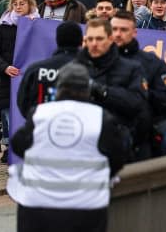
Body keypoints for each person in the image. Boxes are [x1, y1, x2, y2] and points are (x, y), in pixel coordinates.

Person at [8, 62, 128, 232]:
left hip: (37, 206)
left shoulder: (40, 113)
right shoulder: (101, 117)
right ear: (88, 88)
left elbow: (18, 145)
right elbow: (118, 156)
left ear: (59, 87)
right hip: (87, 206)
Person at [75, 19, 150, 161]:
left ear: (110, 39)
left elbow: (137, 103)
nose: (94, 44)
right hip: (80, 133)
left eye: (99, 39)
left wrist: (104, 92)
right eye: (90, 39)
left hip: (117, 134)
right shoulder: (74, 67)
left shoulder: (131, 68)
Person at [0, 0, 40, 162]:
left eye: (22, 3)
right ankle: (14, 153)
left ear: (30, 5)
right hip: (7, 80)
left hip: (30, 80)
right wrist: (5, 67)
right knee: (8, 117)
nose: (18, 7)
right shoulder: (3, 26)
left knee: (28, 116)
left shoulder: (38, 26)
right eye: (15, 4)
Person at [17, 21, 83, 115]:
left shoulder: (35, 69)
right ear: (81, 41)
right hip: (79, 125)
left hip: (41, 125)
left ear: (57, 40)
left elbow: (23, 103)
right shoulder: (88, 69)